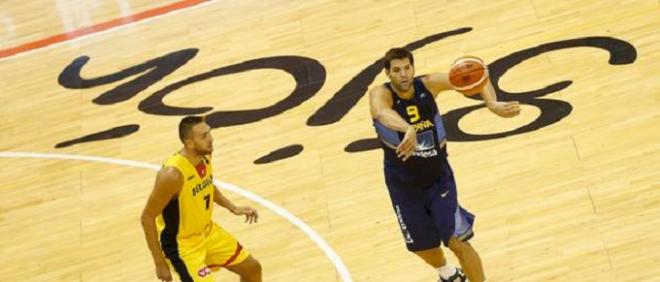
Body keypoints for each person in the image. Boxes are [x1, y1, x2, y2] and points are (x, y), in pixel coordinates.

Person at [369, 47, 520, 282]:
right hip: (403, 185)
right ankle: (448, 274)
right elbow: (380, 112)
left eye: (407, 68)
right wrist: (406, 128)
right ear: (388, 73)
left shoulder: (428, 84)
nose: (403, 74)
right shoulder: (381, 93)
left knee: (458, 242)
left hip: (439, 179)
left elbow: (478, 75)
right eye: (397, 70)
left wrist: (491, 103)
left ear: (413, 68)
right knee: (422, 246)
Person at [140, 116, 262, 282]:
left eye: (209, 133)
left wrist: (232, 207)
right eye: (204, 136)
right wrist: (159, 262)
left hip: (207, 231)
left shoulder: (205, 155)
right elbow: (147, 217)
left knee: (252, 269)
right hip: (182, 246)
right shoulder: (172, 176)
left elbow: (207, 184)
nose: (211, 139)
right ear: (189, 143)